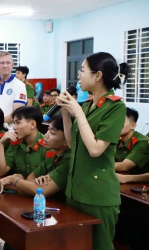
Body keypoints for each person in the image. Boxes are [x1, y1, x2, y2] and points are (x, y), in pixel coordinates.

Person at [57, 52, 130, 250]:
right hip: (76, 190)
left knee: (100, 247)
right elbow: (73, 144)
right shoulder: (89, 106)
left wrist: (77, 112)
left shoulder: (115, 107)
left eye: (82, 70)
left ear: (97, 76)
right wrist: (65, 114)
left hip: (97, 194)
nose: (79, 75)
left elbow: (96, 149)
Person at [0, 114, 71, 198]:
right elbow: (30, 178)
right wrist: (36, 182)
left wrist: (14, 179)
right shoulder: (53, 156)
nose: (46, 135)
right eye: (48, 130)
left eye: (52, 133)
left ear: (67, 140)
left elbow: (42, 190)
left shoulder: (68, 160)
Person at [0, 106, 47, 178]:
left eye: (18, 123)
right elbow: (1, 171)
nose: (14, 127)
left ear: (32, 124)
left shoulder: (47, 145)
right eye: (14, 123)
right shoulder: (15, 142)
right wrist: (1, 144)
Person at [0, 51, 27, 128]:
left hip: (11, 131)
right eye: (2, 63)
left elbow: (17, 112)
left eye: (8, 63)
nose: (5, 66)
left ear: (12, 65)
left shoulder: (20, 85)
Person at [115, 107, 149, 183]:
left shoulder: (142, 142)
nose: (116, 125)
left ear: (133, 125)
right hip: (125, 181)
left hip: (144, 186)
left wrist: (101, 166)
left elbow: (124, 166)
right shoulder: (117, 140)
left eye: (121, 122)